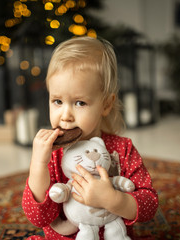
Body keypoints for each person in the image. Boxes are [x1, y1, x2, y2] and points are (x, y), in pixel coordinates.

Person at [22, 36, 158, 239]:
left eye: (80, 103)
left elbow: (149, 205)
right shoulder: (52, 153)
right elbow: (39, 217)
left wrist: (113, 200)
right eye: (57, 101)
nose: (66, 115)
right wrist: (38, 164)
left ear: (106, 104)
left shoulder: (122, 149)